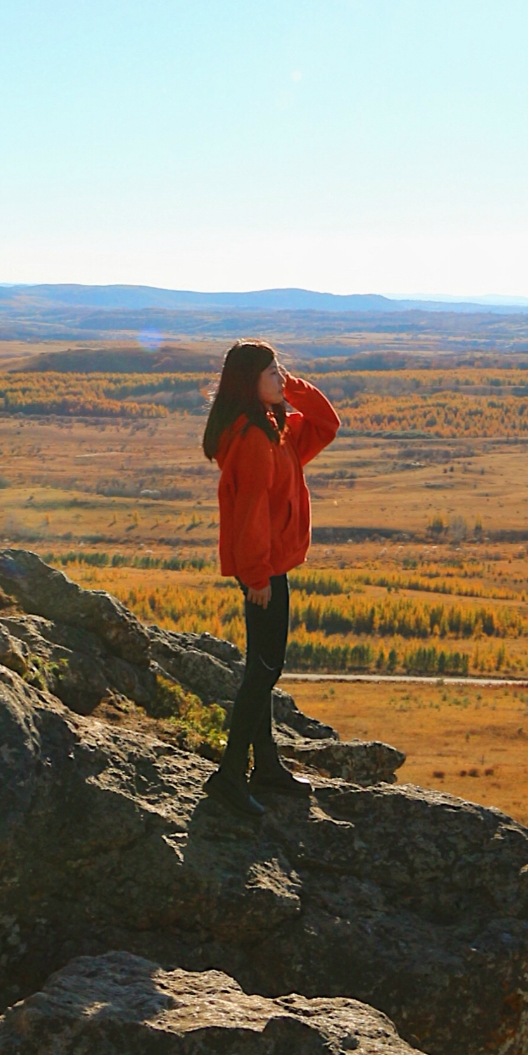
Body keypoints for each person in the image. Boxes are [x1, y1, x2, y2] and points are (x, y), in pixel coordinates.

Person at [200, 339, 339, 817]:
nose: (282, 377)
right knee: (263, 670)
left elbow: (327, 423)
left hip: (270, 563)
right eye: (272, 373)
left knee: (263, 668)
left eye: (282, 371)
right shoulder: (256, 440)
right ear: (248, 383)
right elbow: (250, 514)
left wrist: (287, 389)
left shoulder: (275, 429)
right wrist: (257, 576)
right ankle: (230, 775)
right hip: (263, 568)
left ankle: (266, 766)